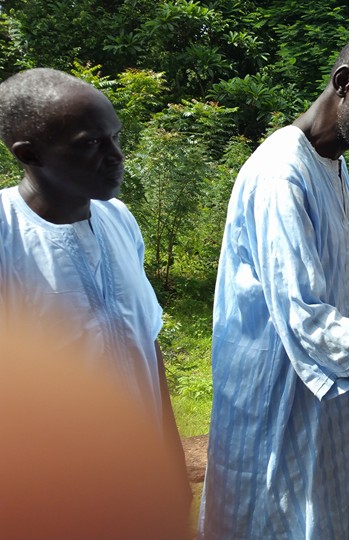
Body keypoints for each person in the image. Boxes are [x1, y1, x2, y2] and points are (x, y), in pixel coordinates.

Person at [199, 33, 349, 539]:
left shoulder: (332, 167)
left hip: (324, 402)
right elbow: (305, 317)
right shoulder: (280, 174)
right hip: (272, 406)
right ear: (343, 83)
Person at [0, 68, 190, 537]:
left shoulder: (119, 220)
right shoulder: (6, 236)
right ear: (28, 153)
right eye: (90, 144)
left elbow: (146, 348)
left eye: (115, 138)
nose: (116, 157)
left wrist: (170, 461)